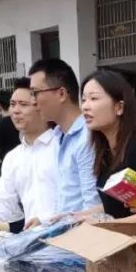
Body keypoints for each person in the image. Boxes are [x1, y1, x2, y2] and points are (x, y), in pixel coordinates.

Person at [82, 70, 136, 219]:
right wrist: (72, 217)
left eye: (93, 98)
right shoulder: (105, 152)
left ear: (119, 107)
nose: (85, 107)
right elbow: (112, 207)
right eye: (83, 100)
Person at [0, 78, 58, 230]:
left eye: (23, 105)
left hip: (69, 241)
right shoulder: (13, 157)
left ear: (42, 107)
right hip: (31, 243)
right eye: (12, 104)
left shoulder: (62, 147)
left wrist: (46, 220)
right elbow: (2, 203)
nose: (15, 111)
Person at [29, 58, 100, 215]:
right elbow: (65, 199)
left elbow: (93, 210)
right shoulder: (58, 136)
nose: (33, 101)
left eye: (36, 93)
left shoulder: (86, 139)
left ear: (61, 94)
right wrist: (47, 223)